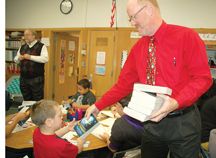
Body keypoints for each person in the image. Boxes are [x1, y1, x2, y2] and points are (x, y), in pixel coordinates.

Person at [85, 0, 212, 158]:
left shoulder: (186, 36)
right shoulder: (138, 48)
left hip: (183, 123)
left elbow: (203, 79)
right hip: (151, 124)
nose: (131, 23)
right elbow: (123, 85)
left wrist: (175, 102)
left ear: (149, 9)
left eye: (132, 17)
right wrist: (98, 105)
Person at [14, 29, 49, 101]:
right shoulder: (22, 47)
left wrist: (30, 57)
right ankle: (27, 112)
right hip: (23, 79)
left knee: (37, 100)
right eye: (24, 35)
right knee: (26, 99)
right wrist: (18, 58)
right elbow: (15, 59)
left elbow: (45, 59)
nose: (25, 37)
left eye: (27, 35)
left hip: (36, 79)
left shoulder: (41, 46)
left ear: (34, 36)